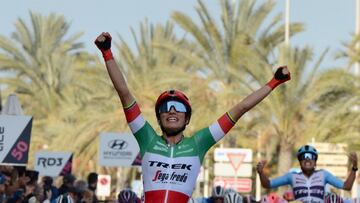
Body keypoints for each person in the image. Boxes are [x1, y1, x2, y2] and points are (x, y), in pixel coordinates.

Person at [95, 32, 291, 203]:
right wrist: (107, 53)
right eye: (165, 107)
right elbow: (125, 94)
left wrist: (274, 82)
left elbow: (241, 108)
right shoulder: (147, 138)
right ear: (159, 117)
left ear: (187, 119)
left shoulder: (199, 143)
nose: (171, 110)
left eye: (179, 107)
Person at [256, 145, 358, 203]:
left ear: (315, 162)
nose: (307, 158)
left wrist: (354, 168)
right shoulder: (292, 176)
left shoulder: (324, 175)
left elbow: (346, 186)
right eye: (303, 156)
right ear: (300, 161)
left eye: (311, 156)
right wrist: (261, 173)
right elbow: (267, 184)